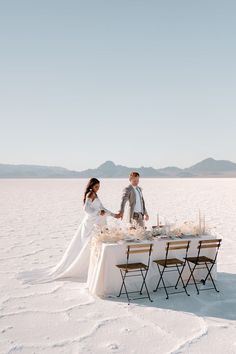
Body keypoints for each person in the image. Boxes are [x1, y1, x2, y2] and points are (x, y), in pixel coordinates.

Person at [17, 178, 119, 284]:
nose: (98, 189)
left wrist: (114, 215)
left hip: (98, 223)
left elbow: (102, 208)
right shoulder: (90, 194)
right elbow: (86, 209)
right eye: (96, 187)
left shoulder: (95, 195)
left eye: (99, 187)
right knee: (87, 246)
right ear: (91, 186)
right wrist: (98, 212)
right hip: (91, 224)